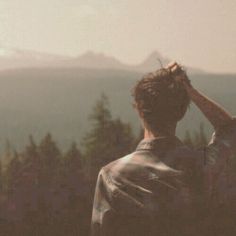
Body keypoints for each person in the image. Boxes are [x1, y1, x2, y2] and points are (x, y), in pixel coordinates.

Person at [91, 62, 236, 236]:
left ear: (139, 110)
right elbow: (229, 129)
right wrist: (190, 91)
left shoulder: (112, 176)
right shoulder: (202, 166)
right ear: (181, 112)